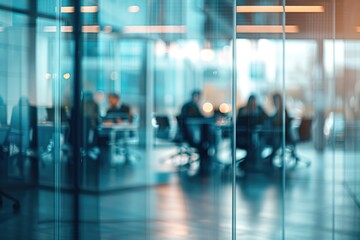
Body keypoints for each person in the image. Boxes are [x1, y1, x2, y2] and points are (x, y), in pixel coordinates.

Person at [236, 94, 268, 166]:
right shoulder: (242, 110)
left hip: (257, 137)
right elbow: (238, 125)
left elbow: (267, 119)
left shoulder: (259, 110)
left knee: (257, 143)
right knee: (252, 143)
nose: (252, 105)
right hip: (244, 136)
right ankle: (250, 162)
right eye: (251, 102)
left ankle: (253, 162)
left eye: (254, 102)